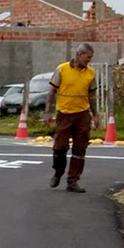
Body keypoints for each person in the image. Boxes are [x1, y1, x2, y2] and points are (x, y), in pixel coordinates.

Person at [42, 44, 98, 193]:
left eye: (91, 58)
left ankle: (73, 181)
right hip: (64, 113)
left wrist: (95, 115)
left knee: (80, 148)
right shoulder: (62, 69)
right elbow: (51, 91)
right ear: (79, 54)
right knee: (60, 147)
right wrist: (47, 112)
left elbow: (92, 96)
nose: (89, 60)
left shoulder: (90, 73)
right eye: (88, 57)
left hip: (82, 114)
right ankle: (58, 172)